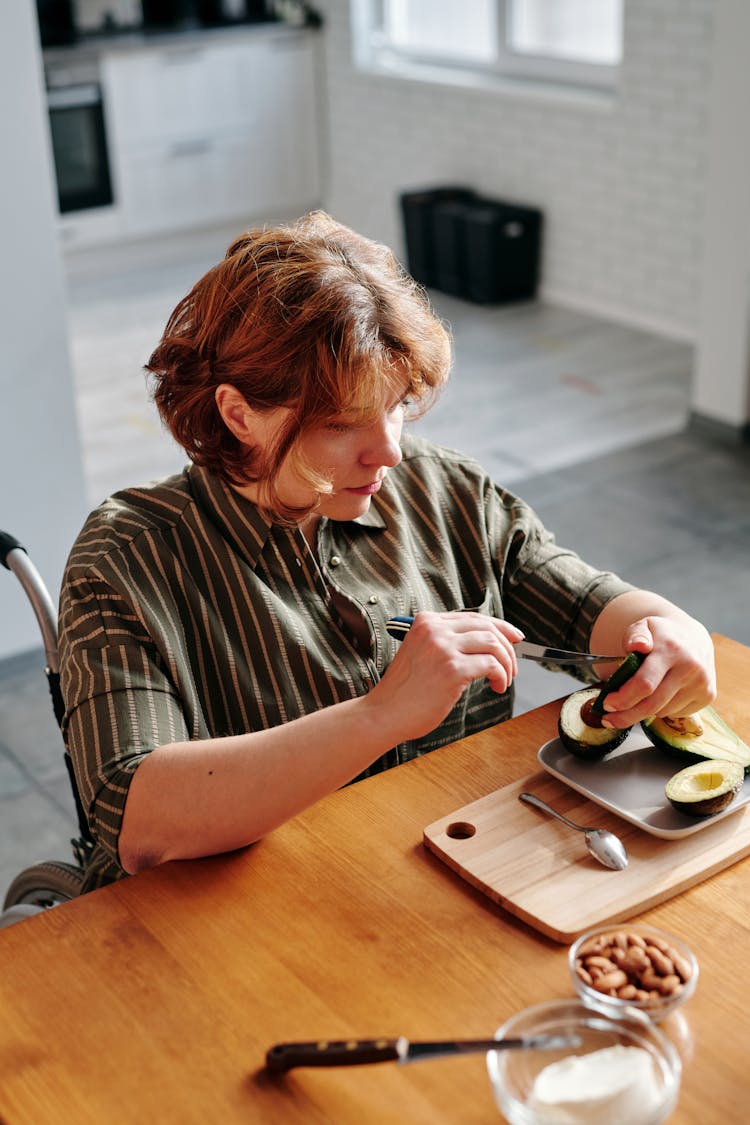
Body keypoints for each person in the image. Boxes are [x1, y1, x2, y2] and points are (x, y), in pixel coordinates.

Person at [59, 211, 716, 892]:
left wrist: (669, 633)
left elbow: (584, 603)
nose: (391, 450)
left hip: (435, 891)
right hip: (244, 927)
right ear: (238, 413)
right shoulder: (129, 557)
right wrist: (379, 715)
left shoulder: (442, 488)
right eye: (342, 422)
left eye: (397, 404)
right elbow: (138, 816)